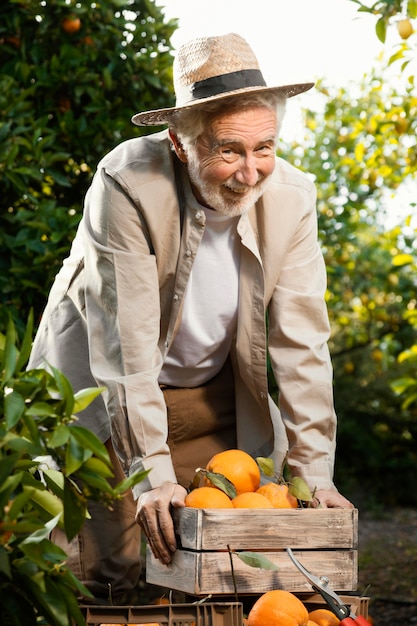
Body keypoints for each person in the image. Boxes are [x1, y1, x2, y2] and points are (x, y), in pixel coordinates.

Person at [28, 32, 353, 604]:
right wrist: (153, 478)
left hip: (211, 396)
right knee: (119, 570)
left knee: (232, 559)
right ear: (180, 145)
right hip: (107, 397)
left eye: (265, 149)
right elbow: (124, 347)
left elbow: (303, 343)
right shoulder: (127, 182)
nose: (250, 173)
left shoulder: (293, 196)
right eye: (229, 150)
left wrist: (315, 473)